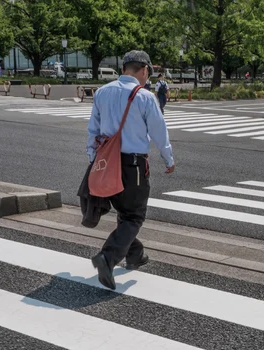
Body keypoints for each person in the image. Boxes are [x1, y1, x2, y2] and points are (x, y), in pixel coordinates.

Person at [87, 50, 176, 290]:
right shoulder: (144, 96)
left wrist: (92, 158)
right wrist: (168, 158)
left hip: (106, 162)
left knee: (124, 212)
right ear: (144, 70)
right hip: (133, 164)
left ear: (125, 68)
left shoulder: (103, 92)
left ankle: (135, 255)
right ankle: (108, 256)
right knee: (135, 215)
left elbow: (93, 129)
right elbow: (159, 131)